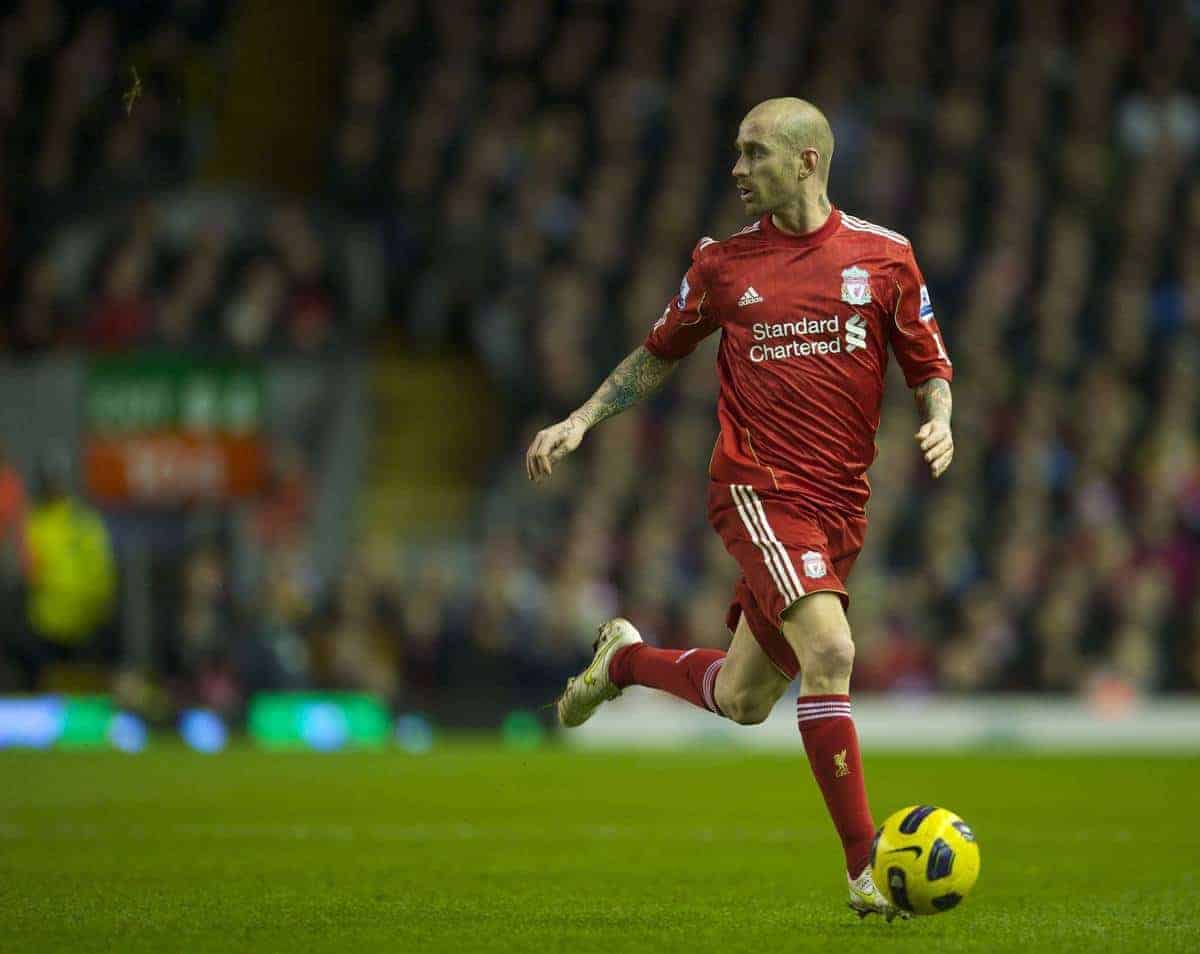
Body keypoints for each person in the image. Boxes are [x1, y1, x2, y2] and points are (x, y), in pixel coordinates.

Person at [525, 98, 954, 921]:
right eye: (735, 153)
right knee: (830, 651)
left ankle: (622, 662)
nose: (736, 170)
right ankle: (866, 868)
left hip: (840, 507)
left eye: (753, 153)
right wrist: (580, 419)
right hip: (757, 489)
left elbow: (928, 362)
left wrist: (938, 417)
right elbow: (657, 356)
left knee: (745, 699)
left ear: (806, 162)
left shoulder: (886, 258)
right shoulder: (723, 266)